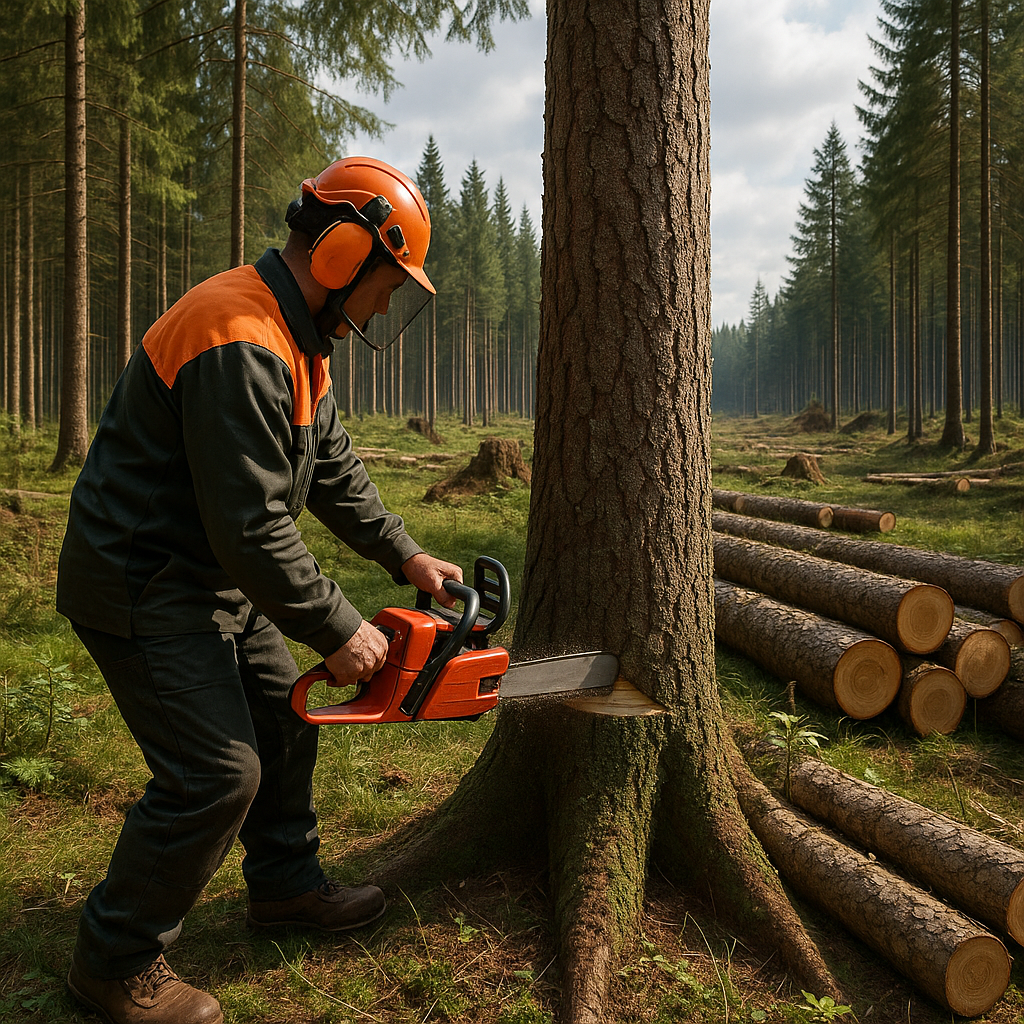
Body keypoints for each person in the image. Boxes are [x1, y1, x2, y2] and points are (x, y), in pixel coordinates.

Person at [56, 156, 460, 1024]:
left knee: (285, 712)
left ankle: (284, 886)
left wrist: (408, 556)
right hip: (143, 581)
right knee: (215, 773)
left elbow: (330, 468)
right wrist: (340, 628)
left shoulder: (296, 336)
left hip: (209, 575)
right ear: (344, 254)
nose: (382, 306)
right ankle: (113, 961)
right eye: (386, 285)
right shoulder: (236, 335)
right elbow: (252, 526)